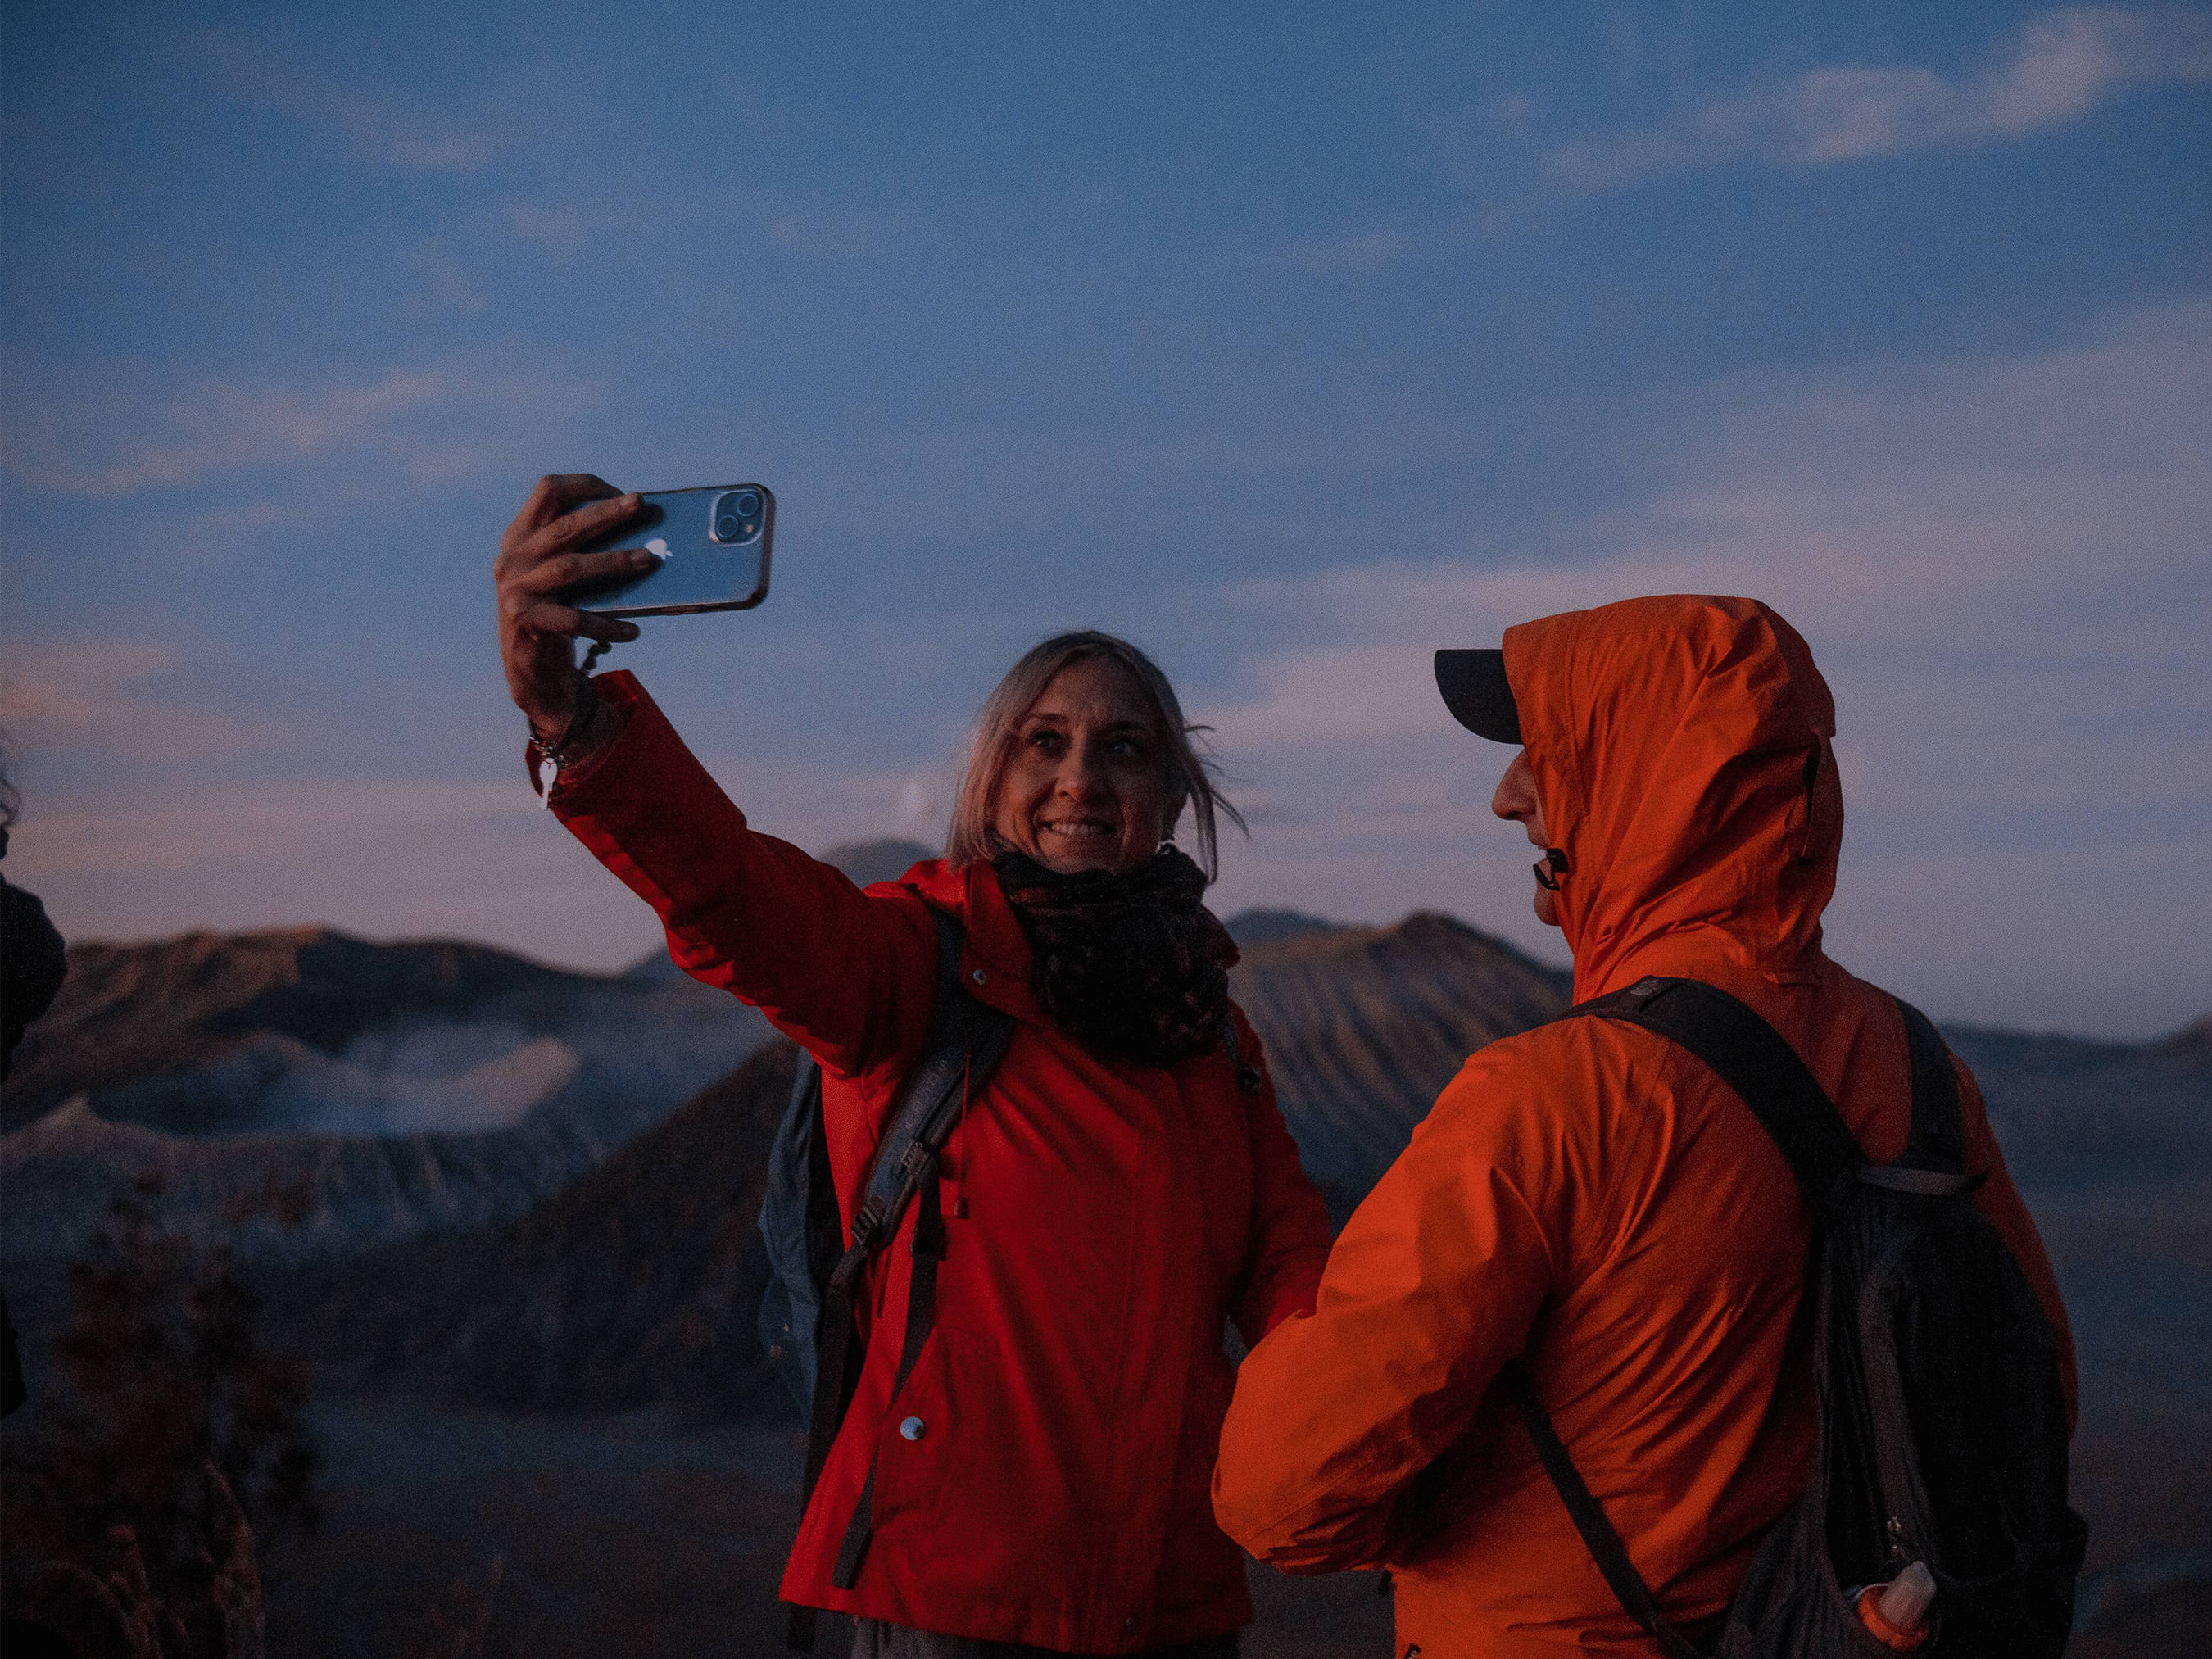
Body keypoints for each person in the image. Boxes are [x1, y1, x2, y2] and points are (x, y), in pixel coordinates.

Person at [495, 475, 1333, 1656]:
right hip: (950, 1606)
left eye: (1124, 748)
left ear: (1170, 796)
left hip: (1173, 1606)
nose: (1082, 777)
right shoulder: (919, 968)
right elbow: (735, 894)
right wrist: (575, 726)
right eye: (1045, 742)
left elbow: (1295, 1279)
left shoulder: (1209, 1032)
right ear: (990, 782)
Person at [1210, 594, 2073, 1657]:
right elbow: (2035, 1398)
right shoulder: (1922, 1069)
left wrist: (1436, 1522)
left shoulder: (1555, 1096)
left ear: (1661, 780)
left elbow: (1282, 1490)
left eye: (1548, 752)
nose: (1506, 795)